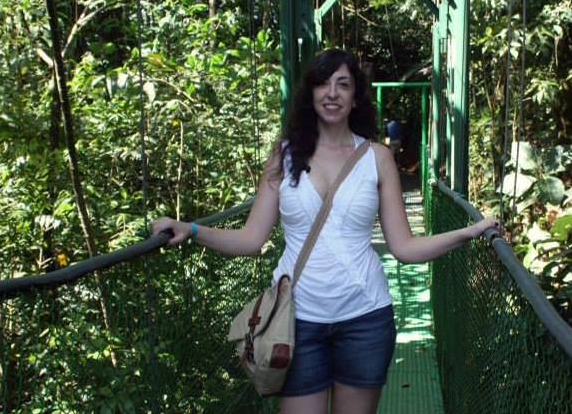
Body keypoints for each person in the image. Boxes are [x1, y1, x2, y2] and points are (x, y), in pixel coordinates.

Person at [151, 49, 497, 414]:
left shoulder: (377, 158)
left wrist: (468, 232)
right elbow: (251, 239)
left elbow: (405, 247)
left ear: (355, 97)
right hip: (295, 323)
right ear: (311, 93)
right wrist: (192, 229)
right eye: (323, 84)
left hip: (365, 318)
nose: (332, 93)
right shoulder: (284, 156)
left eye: (343, 85)